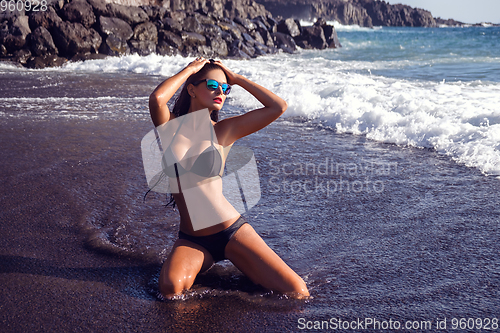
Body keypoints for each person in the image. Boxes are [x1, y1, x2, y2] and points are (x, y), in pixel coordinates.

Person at [148, 57, 309, 299]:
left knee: (297, 291)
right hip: (193, 240)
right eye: (213, 85)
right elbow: (157, 99)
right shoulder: (170, 128)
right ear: (191, 89)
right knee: (170, 289)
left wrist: (237, 79)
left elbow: (278, 107)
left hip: (230, 231)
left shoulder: (223, 131)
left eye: (225, 89)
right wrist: (191, 69)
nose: (220, 92)